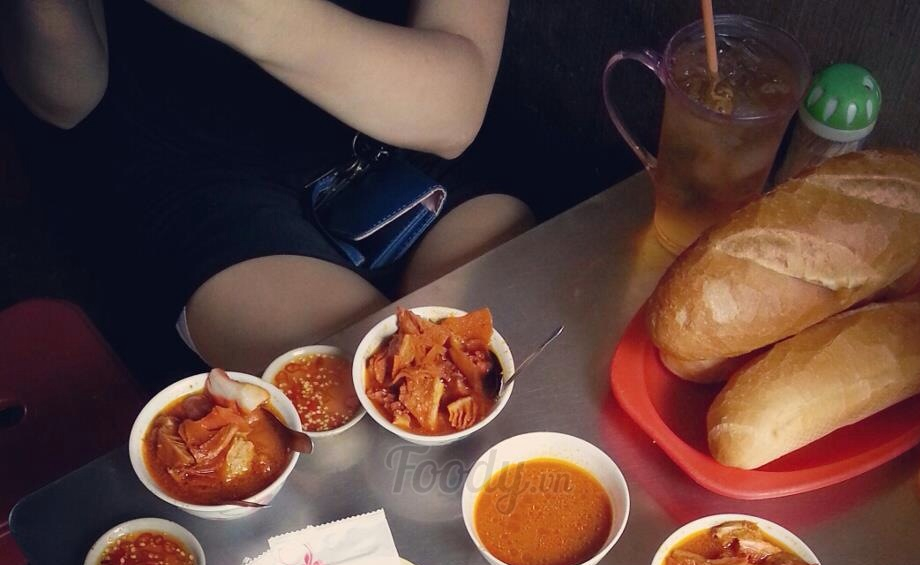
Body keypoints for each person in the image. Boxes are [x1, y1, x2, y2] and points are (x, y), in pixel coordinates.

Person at [0, 1, 533, 373]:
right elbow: (67, 101)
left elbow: (454, 109)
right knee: (349, 422)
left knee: (510, 362)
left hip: (400, 131)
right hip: (195, 172)